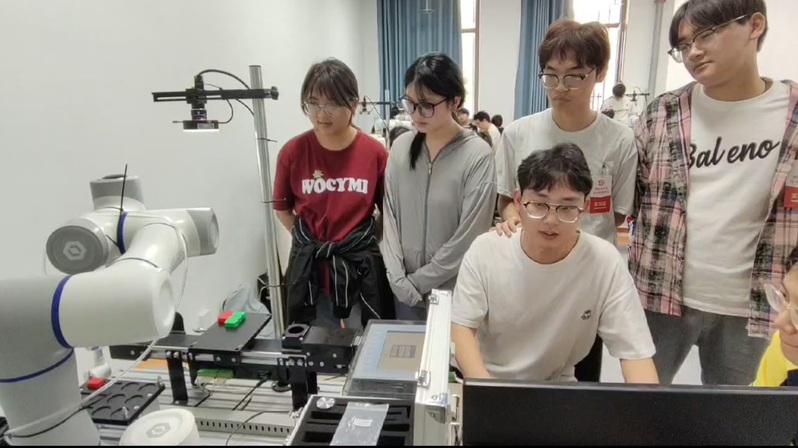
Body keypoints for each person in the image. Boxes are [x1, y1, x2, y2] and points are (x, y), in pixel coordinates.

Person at [632, 0, 798, 386]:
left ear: (754, 25)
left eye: (706, 35)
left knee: (732, 412)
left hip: (752, 307)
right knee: (640, 405)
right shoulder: (663, 113)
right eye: (683, 44)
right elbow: (634, 195)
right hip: (660, 294)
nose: (693, 52)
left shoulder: (792, 115)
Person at [494, 18, 637, 381]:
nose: (559, 87)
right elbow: (505, 200)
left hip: (585, 281)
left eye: (574, 77)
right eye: (551, 75)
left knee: (580, 378)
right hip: (526, 275)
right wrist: (514, 218)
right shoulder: (518, 133)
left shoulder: (619, 140)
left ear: (599, 73)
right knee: (520, 373)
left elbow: (617, 215)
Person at [451, 143, 658, 383]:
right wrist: (487, 390)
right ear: (518, 200)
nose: (551, 220)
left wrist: (650, 404)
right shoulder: (486, 250)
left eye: (567, 207)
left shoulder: (604, 262)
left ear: (585, 207)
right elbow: (462, 328)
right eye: (539, 205)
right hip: (487, 379)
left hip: (556, 385)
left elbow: (635, 353)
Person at [272, 58, 392, 330]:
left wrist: (362, 240)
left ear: (353, 104)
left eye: (332, 104)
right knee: (314, 342)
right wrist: (311, 243)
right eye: (313, 103)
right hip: (311, 268)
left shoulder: (374, 153)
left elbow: (388, 212)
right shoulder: (292, 153)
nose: (321, 114)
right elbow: (282, 210)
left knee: (366, 339)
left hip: (359, 267)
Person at [381, 52, 496, 321]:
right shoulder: (401, 148)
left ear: (455, 102)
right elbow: (390, 217)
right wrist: (397, 279)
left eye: (427, 105)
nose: (415, 114)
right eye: (410, 103)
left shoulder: (477, 155)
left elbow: (469, 237)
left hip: (454, 293)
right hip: (403, 292)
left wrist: (417, 282)